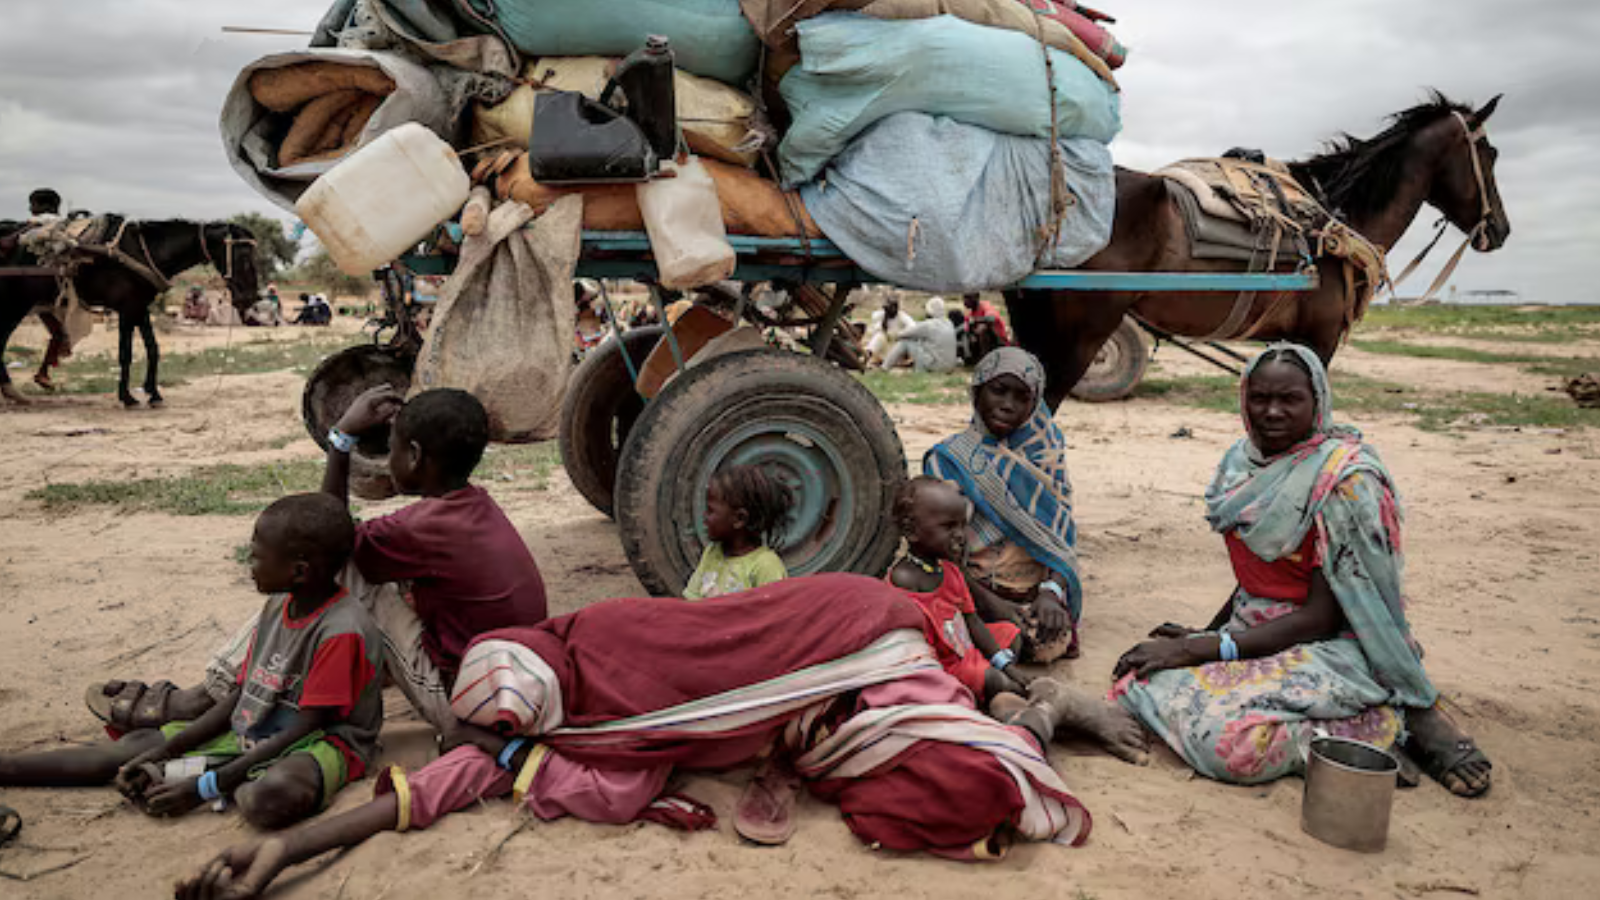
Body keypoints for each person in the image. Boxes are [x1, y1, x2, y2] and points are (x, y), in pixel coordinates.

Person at [173, 574, 1136, 898]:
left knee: (952, 748)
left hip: (851, 634)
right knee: (948, 793)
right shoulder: (529, 730)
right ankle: (1030, 710)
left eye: (488, 722)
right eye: (485, 727)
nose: (475, 737)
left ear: (527, 689)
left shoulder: (602, 642)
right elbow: (422, 795)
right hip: (828, 705)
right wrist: (279, 851)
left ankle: (1029, 703)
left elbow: (727, 643)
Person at [1111, 344, 1492, 796]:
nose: (1272, 412)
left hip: (1337, 645)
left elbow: (1322, 617)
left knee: (1225, 742)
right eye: (1259, 398)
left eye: (1289, 399)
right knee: (1137, 682)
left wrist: (1204, 648)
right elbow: (1258, 575)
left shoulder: (1346, 481)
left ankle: (1381, 733)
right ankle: (1360, 723)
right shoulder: (1242, 463)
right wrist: (1206, 634)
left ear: (1318, 402)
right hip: (1258, 632)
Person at [86, 387, 549, 738]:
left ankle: (207, 696)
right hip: (509, 685)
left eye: (391, 448)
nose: (387, 459)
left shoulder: (425, 525)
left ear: (413, 456)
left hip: (463, 702)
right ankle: (296, 678)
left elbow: (326, 539)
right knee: (379, 583)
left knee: (332, 568)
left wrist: (342, 439)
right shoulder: (470, 507)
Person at [0, 494, 382, 830]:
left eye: (256, 556)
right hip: (256, 729)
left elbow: (306, 726)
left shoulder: (340, 631)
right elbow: (242, 696)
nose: (249, 565)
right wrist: (168, 750)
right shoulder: (277, 607)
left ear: (299, 571)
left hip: (320, 743)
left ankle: (206, 777)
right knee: (129, 751)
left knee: (270, 796)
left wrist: (205, 788)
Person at [924, 348, 1080, 661]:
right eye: (998, 391)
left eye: (1022, 397)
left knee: (1041, 640)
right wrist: (990, 604)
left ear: (1035, 405)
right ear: (977, 390)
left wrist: (1052, 593)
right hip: (970, 589)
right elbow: (938, 551)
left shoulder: (1045, 455)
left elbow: (1060, 541)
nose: (1008, 405)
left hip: (1030, 595)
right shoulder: (950, 459)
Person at [886, 477, 1028, 706]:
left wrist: (1004, 663)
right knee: (996, 681)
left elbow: (972, 621)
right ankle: (995, 687)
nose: (961, 536)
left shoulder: (950, 571)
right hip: (941, 664)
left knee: (1010, 634)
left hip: (963, 647)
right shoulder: (904, 581)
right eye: (948, 527)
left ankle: (990, 682)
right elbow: (909, 647)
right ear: (911, 530)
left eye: (962, 526)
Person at [683, 465, 792, 600]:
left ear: (740, 519)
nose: (705, 517)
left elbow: (772, 615)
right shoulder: (712, 553)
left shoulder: (765, 566)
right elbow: (691, 601)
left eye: (710, 511)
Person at [881, 297, 958, 374]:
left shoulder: (928, 325)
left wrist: (893, 334)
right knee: (921, 342)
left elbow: (902, 335)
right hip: (950, 367)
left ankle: (884, 367)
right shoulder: (949, 323)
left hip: (936, 366)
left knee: (905, 342)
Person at [863, 298, 915, 365]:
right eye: (886, 309)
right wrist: (884, 319)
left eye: (890, 308)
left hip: (897, 347)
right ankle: (867, 356)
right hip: (885, 348)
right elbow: (874, 319)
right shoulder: (882, 315)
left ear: (896, 308)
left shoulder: (903, 317)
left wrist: (899, 335)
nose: (888, 311)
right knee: (879, 336)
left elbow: (913, 328)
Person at [961, 293, 1012, 358]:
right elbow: (967, 330)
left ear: (977, 297)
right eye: (964, 298)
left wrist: (975, 320)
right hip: (981, 344)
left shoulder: (985, 306)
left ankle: (986, 357)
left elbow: (991, 318)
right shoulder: (971, 314)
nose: (965, 301)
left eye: (968, 298)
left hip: (999, 342)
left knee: (983, 328)